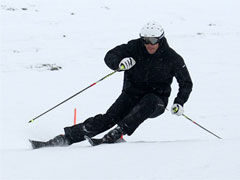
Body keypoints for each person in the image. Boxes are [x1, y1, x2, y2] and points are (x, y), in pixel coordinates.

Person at [40, 21, 193, 147]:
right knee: (108, 119)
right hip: (131, 95)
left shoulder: (173, 58)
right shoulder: (134, 48)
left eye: (153, 40)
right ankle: (67, 138)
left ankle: (116, 133)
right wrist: (119, 63)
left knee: (149, 101)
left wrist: (179, 102)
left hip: (157, 102)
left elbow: (186, 83)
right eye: (145, 40)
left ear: (161, 40)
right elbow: (110, 56)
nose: (149, 44)